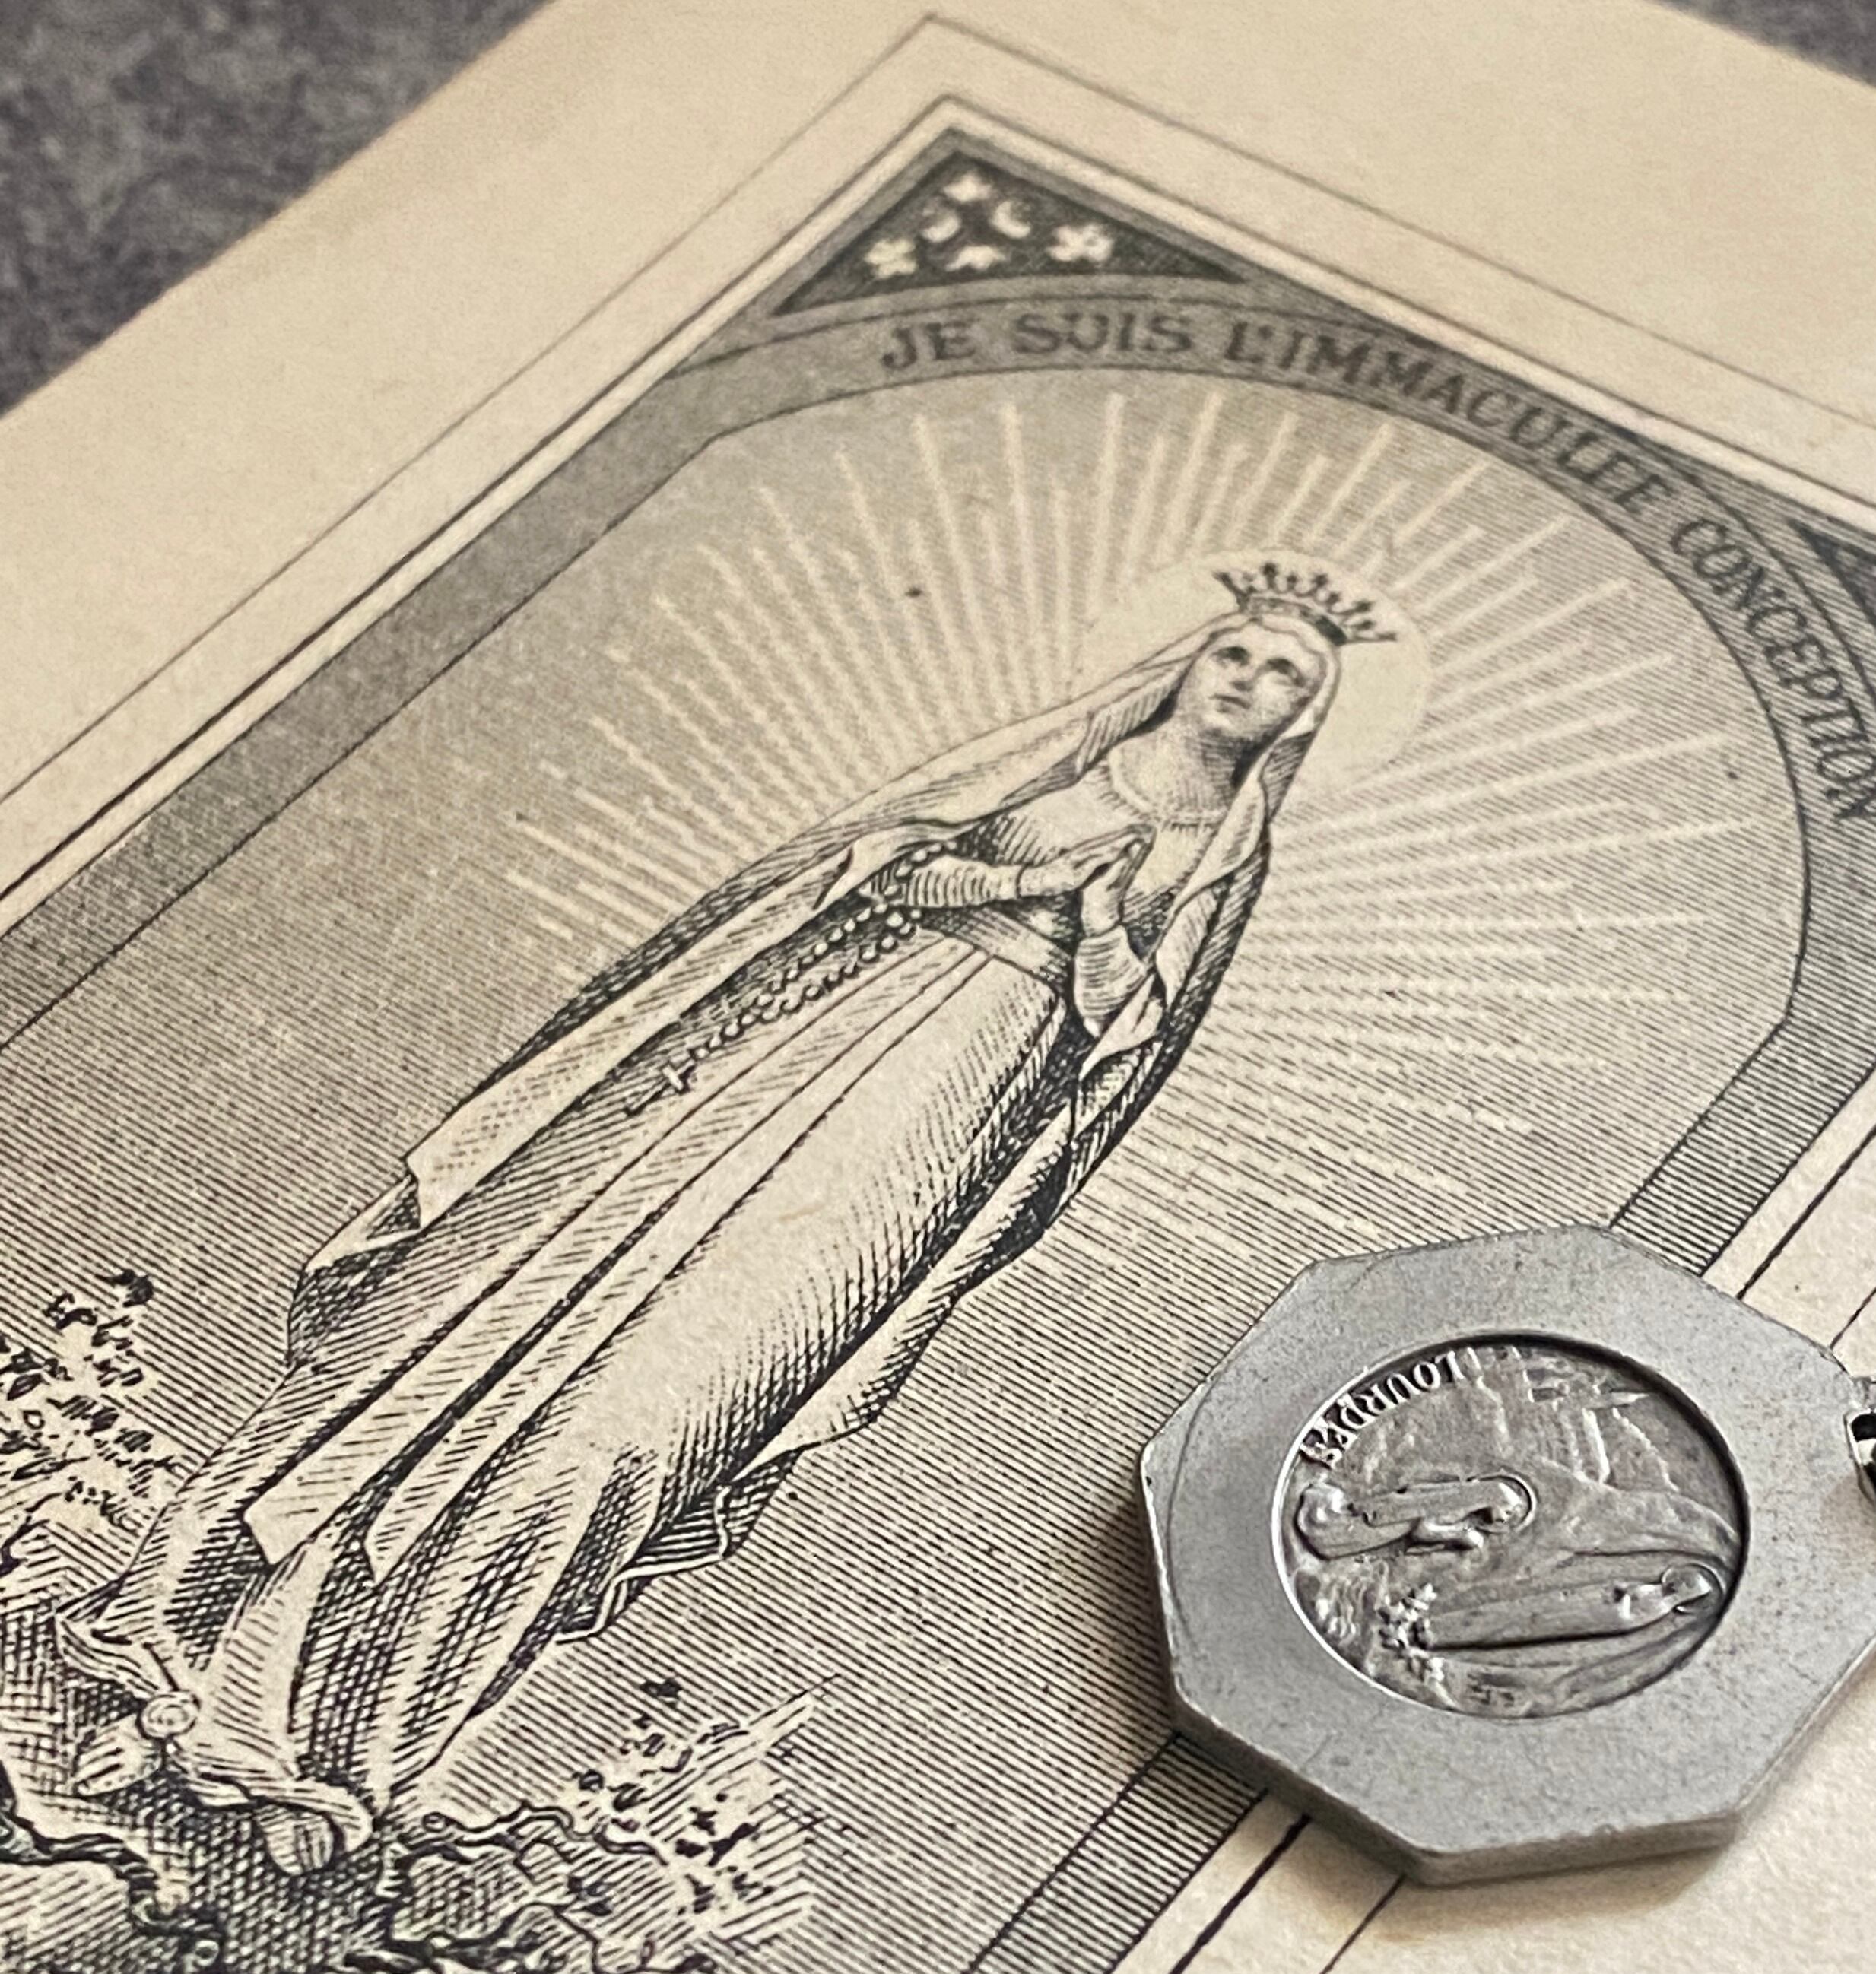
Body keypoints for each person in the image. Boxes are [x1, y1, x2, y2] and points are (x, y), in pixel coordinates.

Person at [60, 567, 1377, 1872]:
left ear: (1301, 721)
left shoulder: (1227, 860)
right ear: (1194, 657)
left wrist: (1097, 933)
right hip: (764, 1074)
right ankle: (182, 1615)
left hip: (928, 1144)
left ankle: (355, 1749)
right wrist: (987, 888)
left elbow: (1123, 1048)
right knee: (468, 1325)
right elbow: (857, 873)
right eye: (1240, 654)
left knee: (639, 1430)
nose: (1251, 684)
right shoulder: (1058, 759)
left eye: (1286, 679)